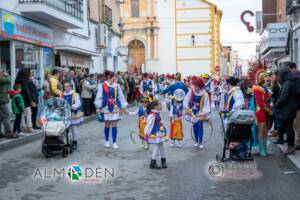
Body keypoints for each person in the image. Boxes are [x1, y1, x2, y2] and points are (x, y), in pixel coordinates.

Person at [94, 70, 128, 149]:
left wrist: (124, 107)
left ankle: (114, 142)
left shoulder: (117, 85)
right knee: (107, 124)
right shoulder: (102, 85)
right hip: (106, 107)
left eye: (115, 76)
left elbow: (121, 97)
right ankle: (106, 140)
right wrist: (98, 107)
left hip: (114, 107)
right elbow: (99, 96)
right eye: (113, 77)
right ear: (109, 77)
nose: (115, 78)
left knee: (114, 124)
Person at [275, 68, 298, 155]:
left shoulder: (287, 83)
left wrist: (276, 105)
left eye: (280, 75)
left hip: (287, 109)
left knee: (289, 128)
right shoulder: (292, 82)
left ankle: (290, 147)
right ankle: (291, 146)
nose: (279, 77)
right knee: (289, 128)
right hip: (291, 108)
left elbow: (283, 97)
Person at [184, 77, 210, 149]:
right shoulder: (191, 91)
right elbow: (186, 100)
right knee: (194, 126)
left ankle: (200, 142)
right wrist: (187, 109)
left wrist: (203, 113)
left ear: (201, 87)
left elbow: (206, 105)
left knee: (200, 126)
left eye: (197, 87)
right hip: (192, 112)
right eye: (195, 86)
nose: (195, 88)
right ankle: (196, 141)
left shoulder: (205, 94)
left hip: (200, 112)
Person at [144, 100, 168, 169]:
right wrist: (146, 134)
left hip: (159, 133)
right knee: (156, 147)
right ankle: (153, 162)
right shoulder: (152, 115)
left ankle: (163, 161)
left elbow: (160, 123)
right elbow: (148, 126)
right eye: (160, 105)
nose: (161, 106)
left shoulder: (157, 114)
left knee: (161, 146)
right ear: (155, 107)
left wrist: (161, 128)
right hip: (155, 134)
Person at [253, 73, 272, 156]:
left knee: (265, 131)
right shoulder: (257, 89)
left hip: (266, 111)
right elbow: (260, 103)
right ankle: (261, 149)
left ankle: (265, 148)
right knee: (261, 130)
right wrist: (268, 110)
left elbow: (267, 100)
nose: (268, 78)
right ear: (261, 78)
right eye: (265, 76)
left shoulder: (266, 89)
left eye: (267, 76)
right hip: (260, 111)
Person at [15, 68, 34, 133]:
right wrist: (31, 100)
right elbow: (27, 91)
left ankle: (23, 127)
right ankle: (29, 127)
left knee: (23, 114)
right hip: (25, 99)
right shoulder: (24, 81)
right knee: (28, 113)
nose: (29, 73)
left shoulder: (17, 80)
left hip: (20, 99)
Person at [63, 82, 82, 150]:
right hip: (64, 113)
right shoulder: (62, 94)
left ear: (71, 87)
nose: (66, 88)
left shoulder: (75, 94)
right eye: (65, 86)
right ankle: (64, 142)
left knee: (73, 128)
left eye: (67, 86)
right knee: (63, 128)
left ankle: (74, 142)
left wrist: (71, 106)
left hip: (72, 113)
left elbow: (78, 103)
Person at [0, 70, 18, 138]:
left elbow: (4, 87)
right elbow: (8, 81)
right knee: (7, 116)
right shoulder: (1, 79)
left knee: (1, 117)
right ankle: (8, 133)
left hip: (2, 99)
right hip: (2, 100)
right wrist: (6, 75)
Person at [287, 62, 300, 150]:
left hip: (298, 104)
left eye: (290, 70)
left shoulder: (297, 78)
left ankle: (298, 142)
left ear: (294, 68)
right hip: (296, 104)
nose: (289, 72)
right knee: (296, 124)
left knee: (297, 124)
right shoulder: (295, 77)